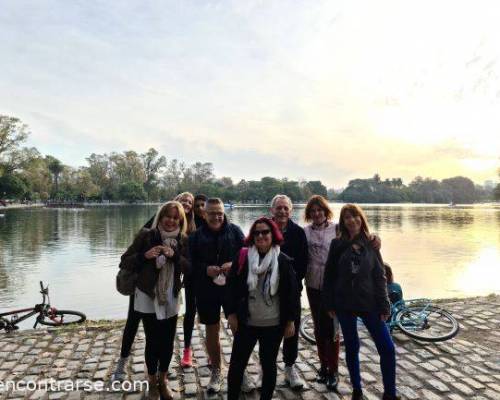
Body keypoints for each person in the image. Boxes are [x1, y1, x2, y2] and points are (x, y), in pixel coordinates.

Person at [323, 204, 399, 400]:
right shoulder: (337, 244)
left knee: (387, 348)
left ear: (361, 218)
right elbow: (329, 275)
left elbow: (379, 275)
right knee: (352, 346)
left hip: (369, 303)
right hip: (344, 304)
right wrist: (329, 303)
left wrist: (384, 304)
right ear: (343, 222)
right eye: (347, 217)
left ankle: (390, 393)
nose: (352, 220)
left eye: (355, 216)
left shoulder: (371, 243)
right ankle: (357, 390)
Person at [119, 201, 189, 400]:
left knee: (167, 341)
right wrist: (144, 256)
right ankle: (151, 382)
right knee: (152, 340)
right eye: (168, 216)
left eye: (176, 218)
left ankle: (163, 380)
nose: (171, 220)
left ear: (181, 220)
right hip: (147, 295)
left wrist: (174, 256)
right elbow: (124, 261)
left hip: (170, 296)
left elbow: (188, 267)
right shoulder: (146, 235)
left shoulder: (183, 240)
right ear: (160, 216)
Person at [226, 217, 301, 400]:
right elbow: (230, 288)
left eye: (265, 232)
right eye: (257, 232)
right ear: (252, 236)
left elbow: (292, 294)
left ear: (273, 235)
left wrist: (290, 321)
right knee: (237, 365)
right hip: (247, 322)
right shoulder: (243, 257)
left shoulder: (283, 261)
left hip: (273, 324)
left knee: (269, 365)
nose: (261, 236)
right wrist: (231, 314)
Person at [188, 197, 246, 393]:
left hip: (233, 288)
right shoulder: (195, 237)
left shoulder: (236, 231)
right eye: (212, 213)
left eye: (219, 213)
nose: (216, 217)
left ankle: (240, 370)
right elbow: (189, 265)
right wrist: (205, 270)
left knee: (239, 328)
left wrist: (234, 264)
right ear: (204, 214)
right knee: (211, 330)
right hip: (207, 289)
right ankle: (216, 370)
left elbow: (248, 255)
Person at [269, 194, 308, 389]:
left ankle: (290, 367)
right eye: (279, 208)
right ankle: (266, 368)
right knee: (268, 331)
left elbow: (302, 264)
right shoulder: (264, 229)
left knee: (291, 330)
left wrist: (288, 281)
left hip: (291, 290)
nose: (282, 211)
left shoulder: (299, 233)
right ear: (272, 210)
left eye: (286, 208)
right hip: (266, 291)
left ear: (291, 211)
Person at [303, 195, 341, 390]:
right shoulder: (305, 232)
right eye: (313, 211)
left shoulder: (336, 229)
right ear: (309, 214)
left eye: (320, 210)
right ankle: (323, 366)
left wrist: (374, 239)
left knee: (332, 329)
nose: (316, 213)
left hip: (332, 286)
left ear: (326, 211)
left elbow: (356, 238)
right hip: (312, 285)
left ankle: (334, 370)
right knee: (319, 328)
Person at [174, 192, 198, 368]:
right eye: (184, 200)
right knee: (172, 312)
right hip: (171, 271)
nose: (187, 203)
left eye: (190, 202)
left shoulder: (196, 222)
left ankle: (188, 350)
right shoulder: (168, 218)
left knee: (192, 310)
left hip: (192, 272)